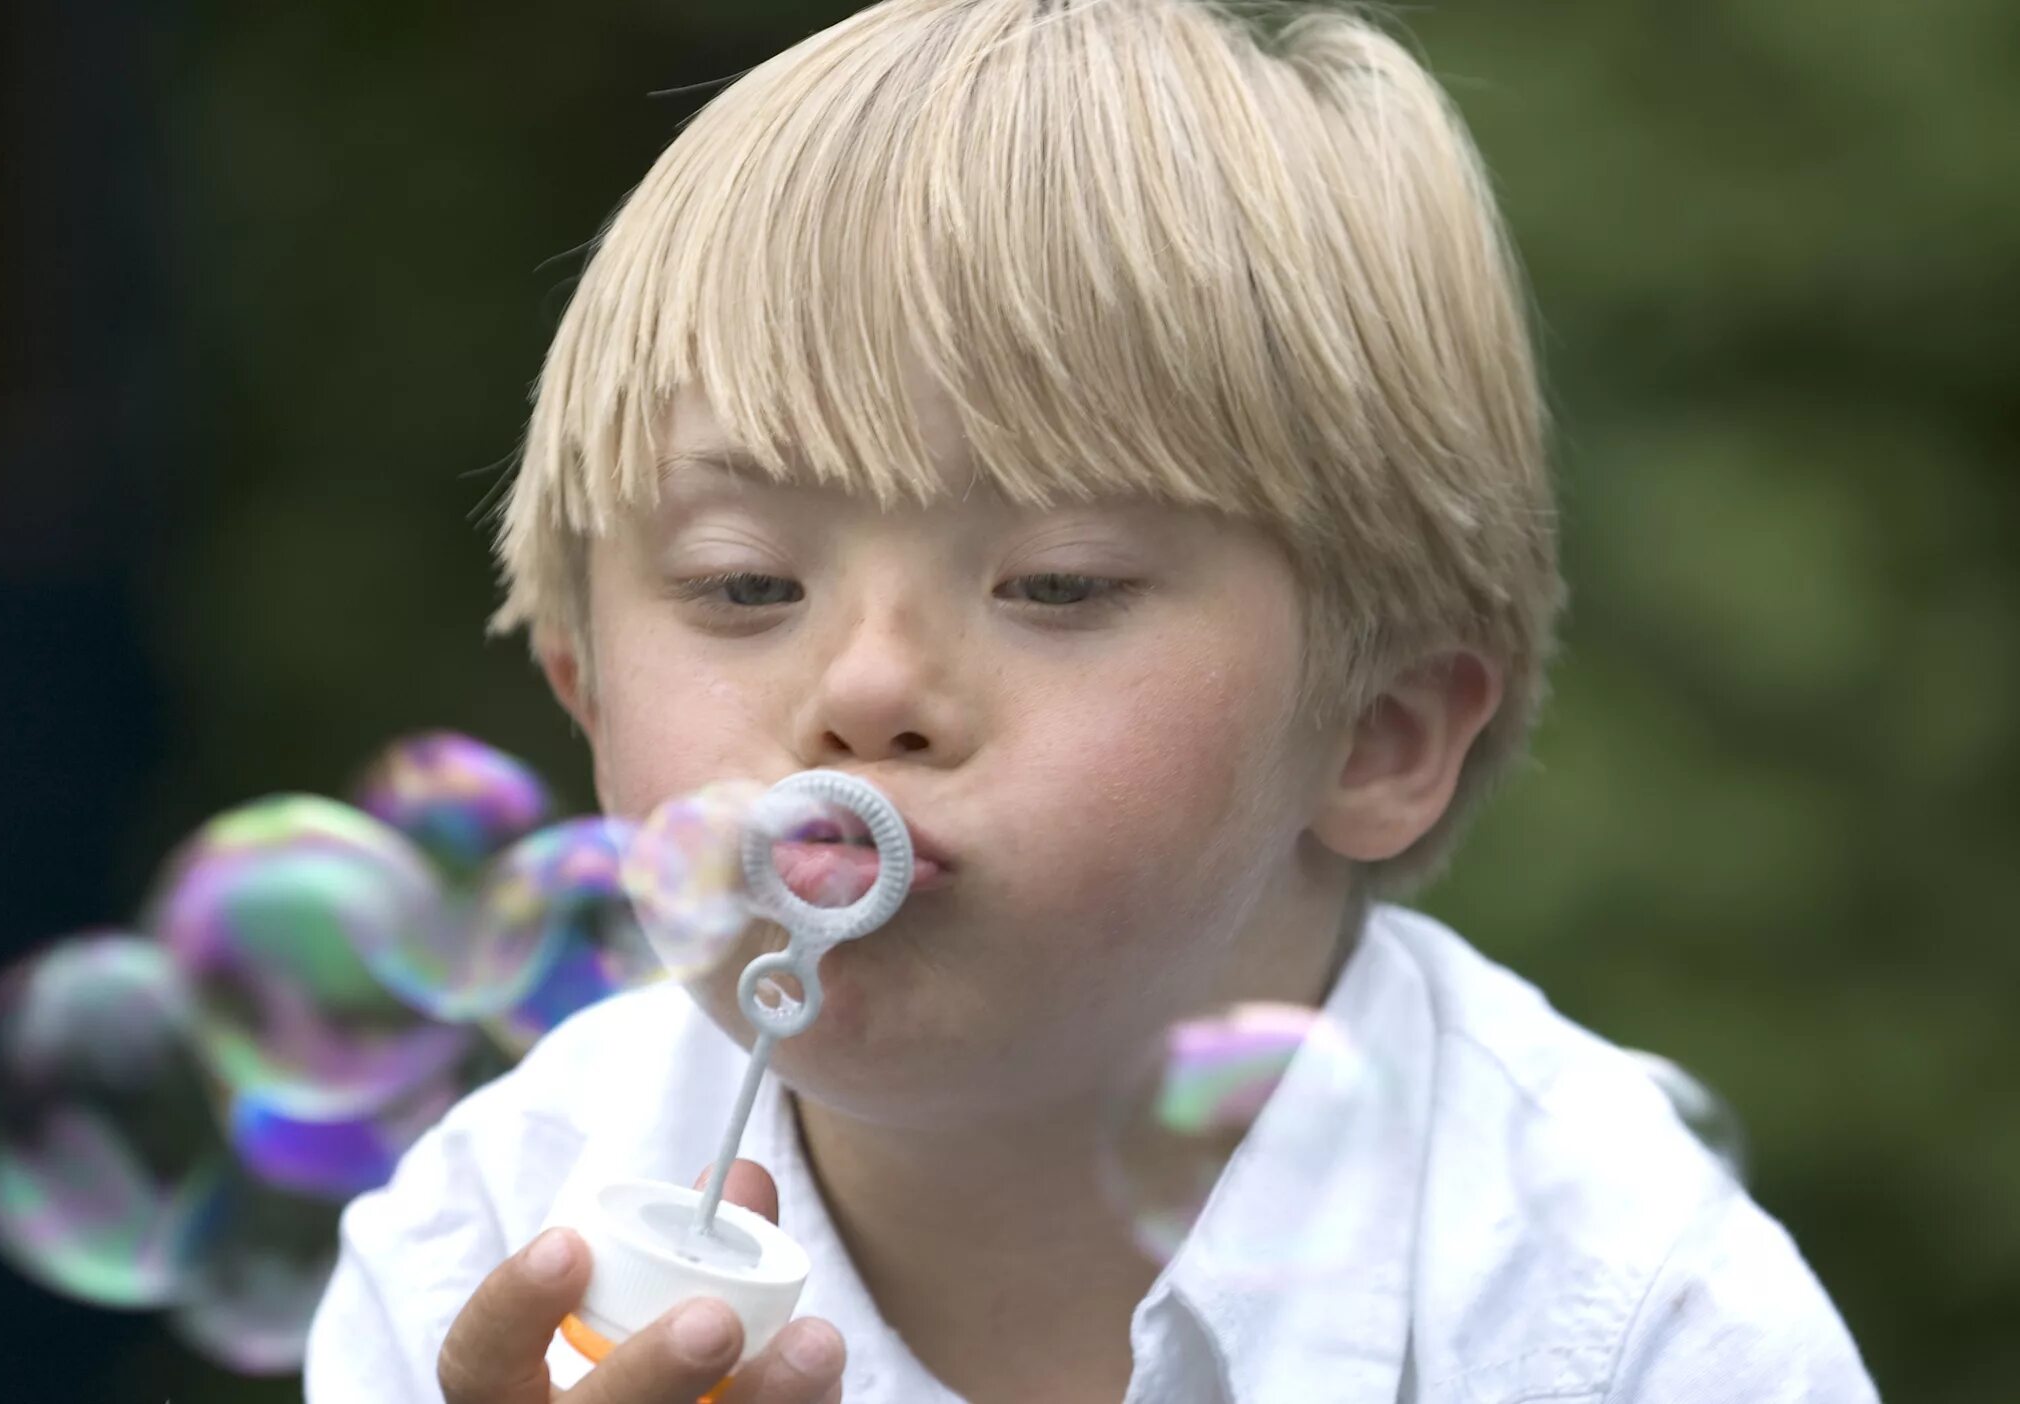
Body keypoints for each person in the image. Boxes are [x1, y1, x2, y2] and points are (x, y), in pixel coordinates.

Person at [304, 2, 1879, 1400]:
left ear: (1381, 732)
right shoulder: (493, 1251)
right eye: (743, 585)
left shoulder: (1622, 1318)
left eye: (1055, 584)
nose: (861, 689)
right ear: (582, 691)